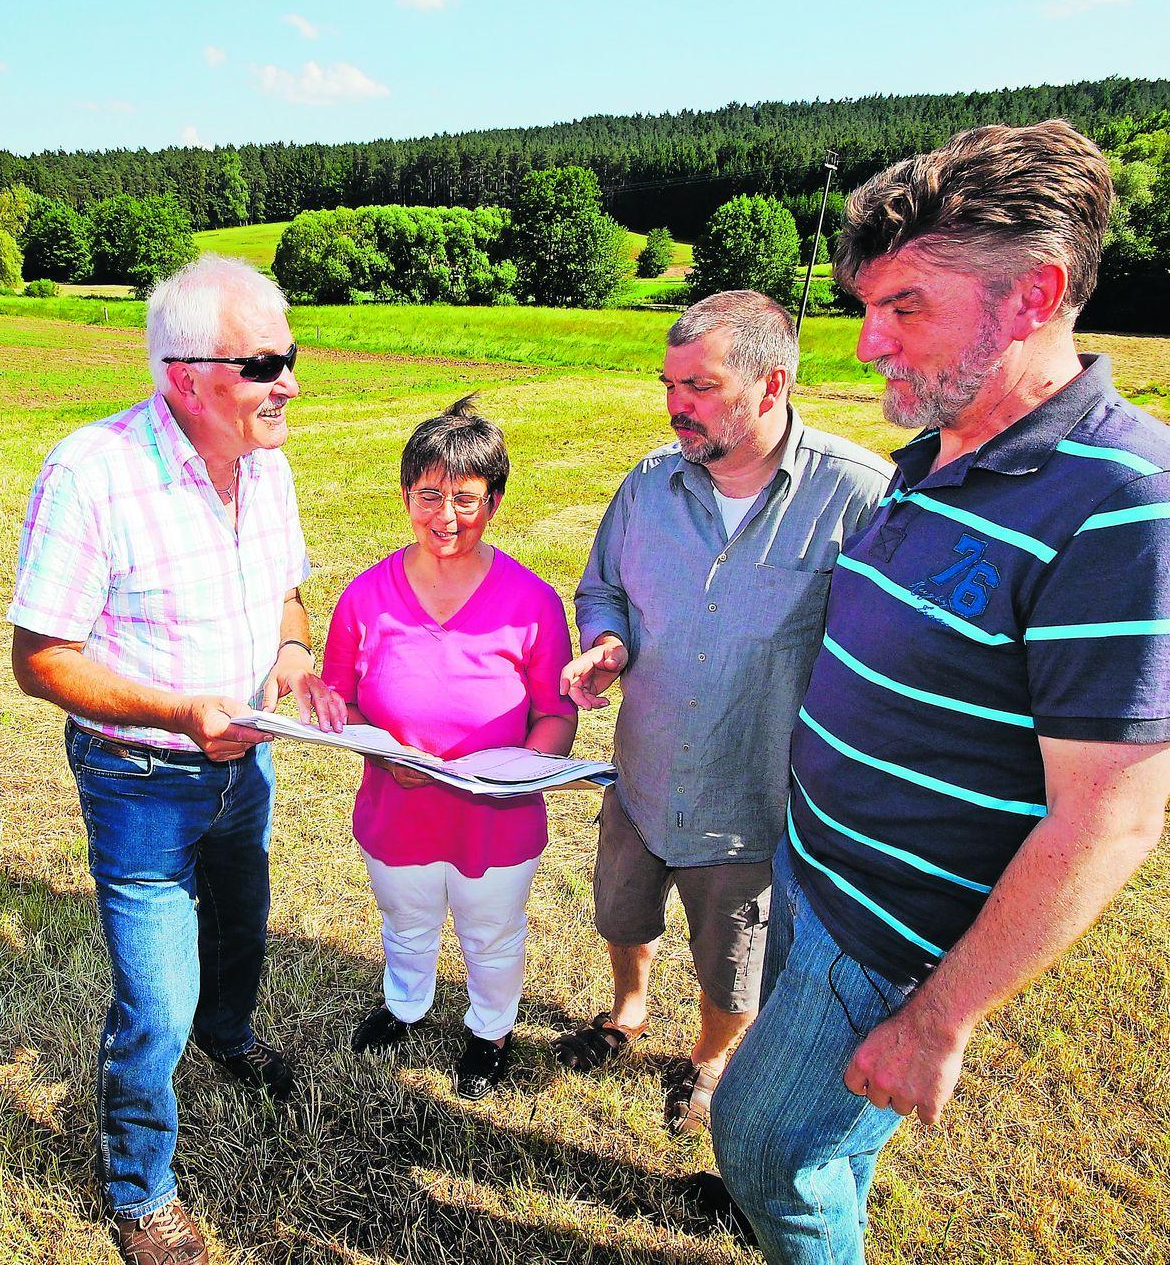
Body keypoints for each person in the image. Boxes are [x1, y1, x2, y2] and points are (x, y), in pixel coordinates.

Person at [709, 121, 1170, 1264]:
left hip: (889, 938)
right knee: (820, 1139)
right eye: (866, 306)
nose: (867, 345)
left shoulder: (1125, 501)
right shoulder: (940, 453)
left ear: (1035, 296)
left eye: (905, 306)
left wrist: (936, 1017)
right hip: (810, 876)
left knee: (766, 1146)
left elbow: (1111, 813)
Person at [8, 254, 345, 1265]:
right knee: (154, 998)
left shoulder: (267, 459)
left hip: (246, 763)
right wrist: (179, 710)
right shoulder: (91, 473)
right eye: (264, 363)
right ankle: (141, 1190)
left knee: (241, 923)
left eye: (289, 356)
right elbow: (40, 660)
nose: (289, 381)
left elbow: (287, 592)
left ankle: (231, 1035)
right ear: (184, 375)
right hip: (140, 776)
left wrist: (290, 653)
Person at [558, 291, 892, 1135]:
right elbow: (601, 587)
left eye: (699, 386)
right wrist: (606, 642)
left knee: (730, 964)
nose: (677, 405)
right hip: (640, 779)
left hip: (754, 807)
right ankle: (627, 1009)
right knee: (621, 915)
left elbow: (886, 659)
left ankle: (709, 1057)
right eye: (669, 383)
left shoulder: (857, 495)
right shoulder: (647, 483)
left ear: (770, 383)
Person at [321, 398, 578, 1099]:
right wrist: (380, 752)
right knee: (404, 919)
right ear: (406, 494)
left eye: (465, 498)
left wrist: (519, 771)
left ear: (493, 500)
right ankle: (404, 1004)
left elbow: (555, 714)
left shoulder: (531, 600)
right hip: (395, 807)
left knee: (491, 932)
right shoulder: (364, 595)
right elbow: (338, 699)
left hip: (496, 815)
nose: (446, 516)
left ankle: (490, 1031)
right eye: (428, 495)